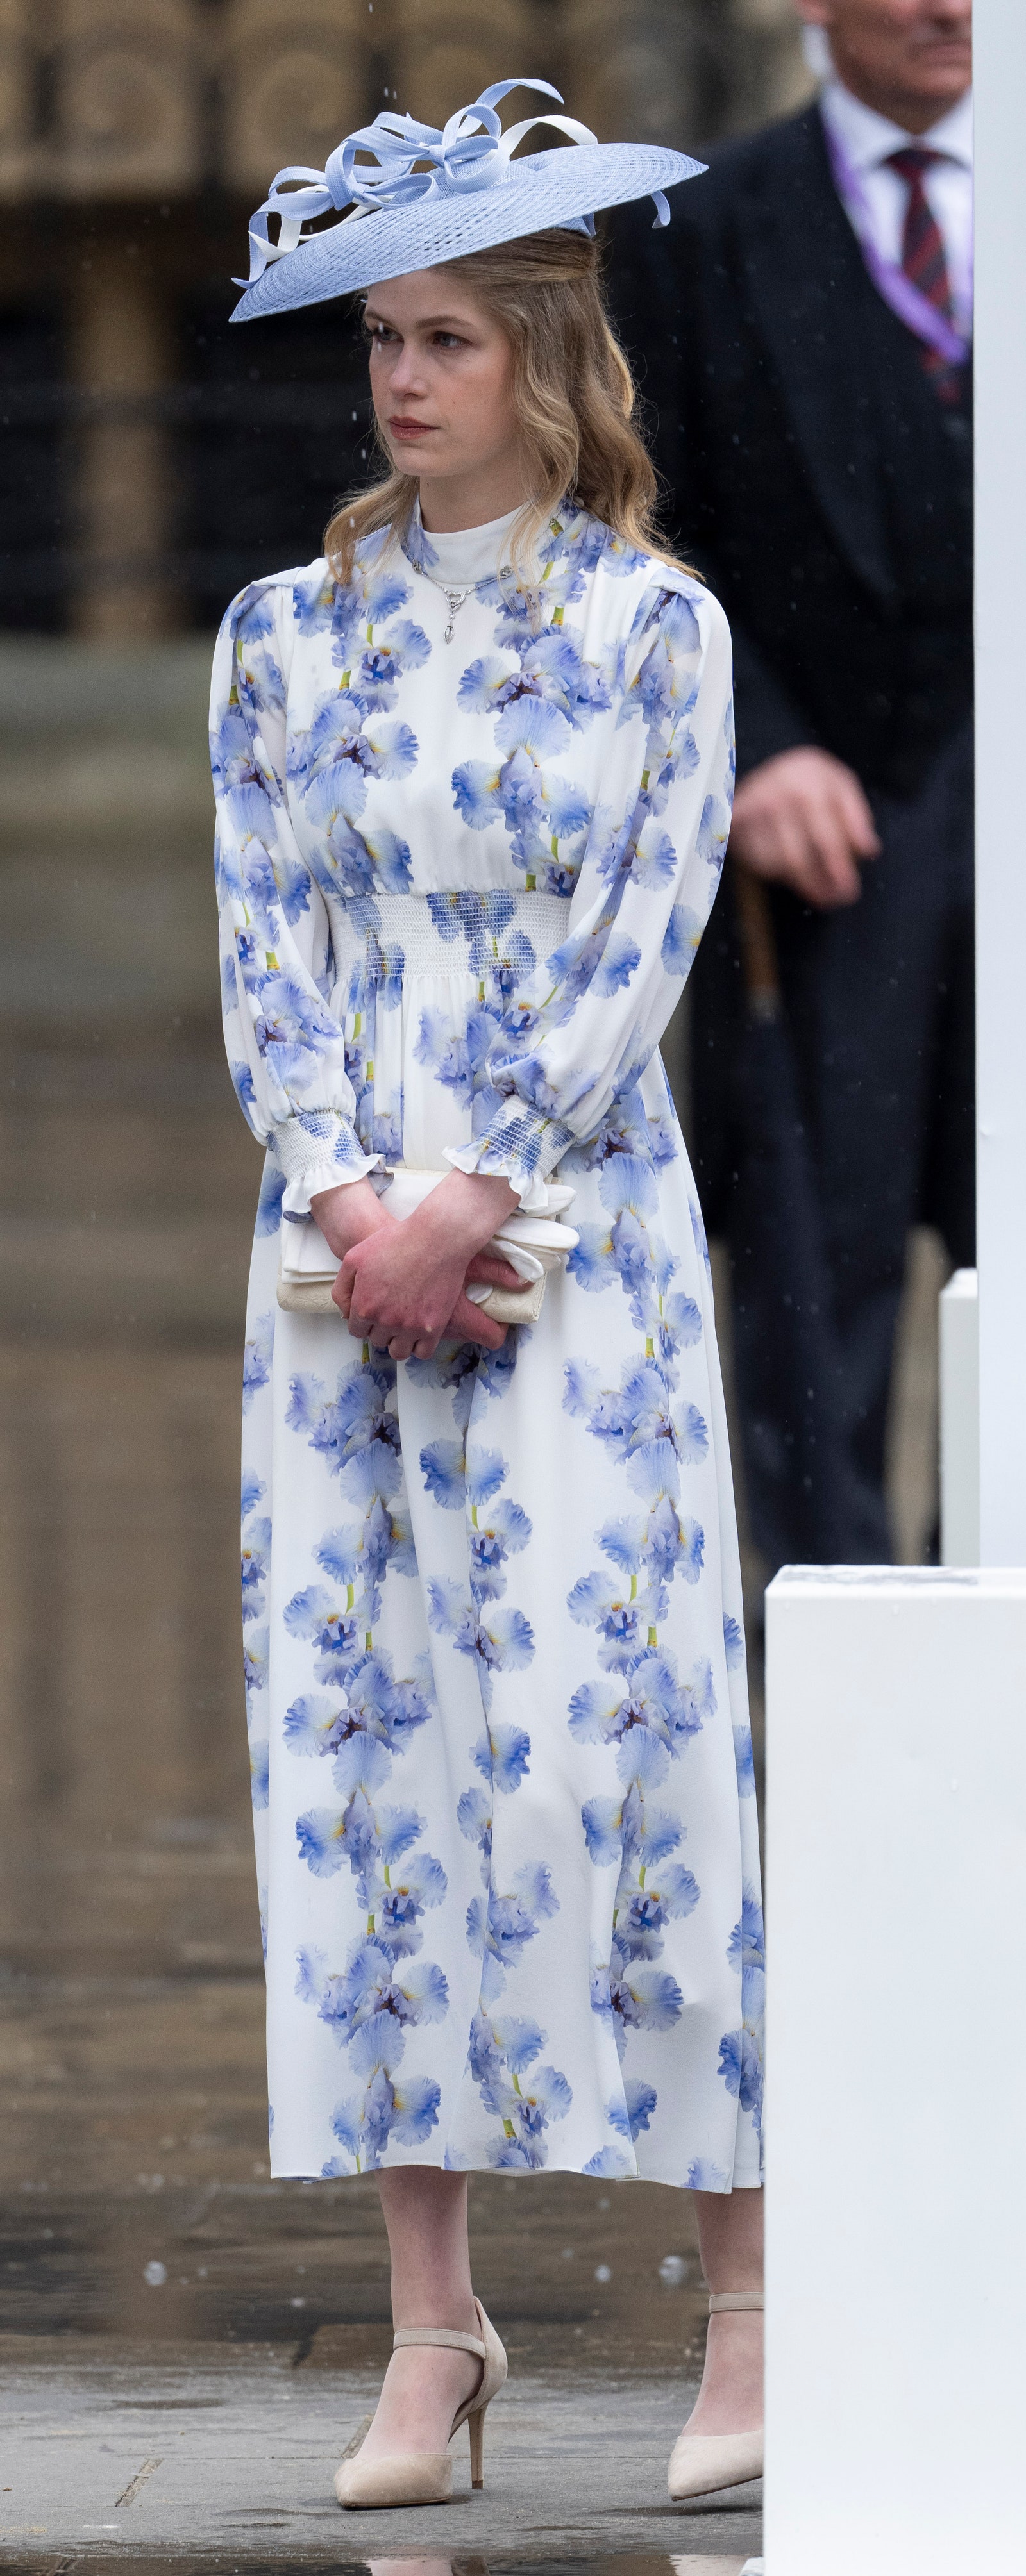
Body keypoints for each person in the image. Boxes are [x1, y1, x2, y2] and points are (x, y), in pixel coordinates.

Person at [211, 81, 764, 2514]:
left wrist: (477, 1193)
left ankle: (754, 2309)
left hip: (580, 1234)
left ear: (549, 358)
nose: (405, 380)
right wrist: (351, 1196)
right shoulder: (277, 638)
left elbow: (645, 940)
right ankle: (433, 2342)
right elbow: (264, 942)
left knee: (619, 1750)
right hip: (337, 1270)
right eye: (384, 340)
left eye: (452, 338)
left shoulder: (658, 626)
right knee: (372, 1773)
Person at [609, 0, 974, 1572]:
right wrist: (747, 741)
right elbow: (636, 509)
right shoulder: (700, 223)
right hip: (819, 841)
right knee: (808, 1268)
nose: (943, 5)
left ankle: (1003, 1624)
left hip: (1007, 800)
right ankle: (824, 1648)